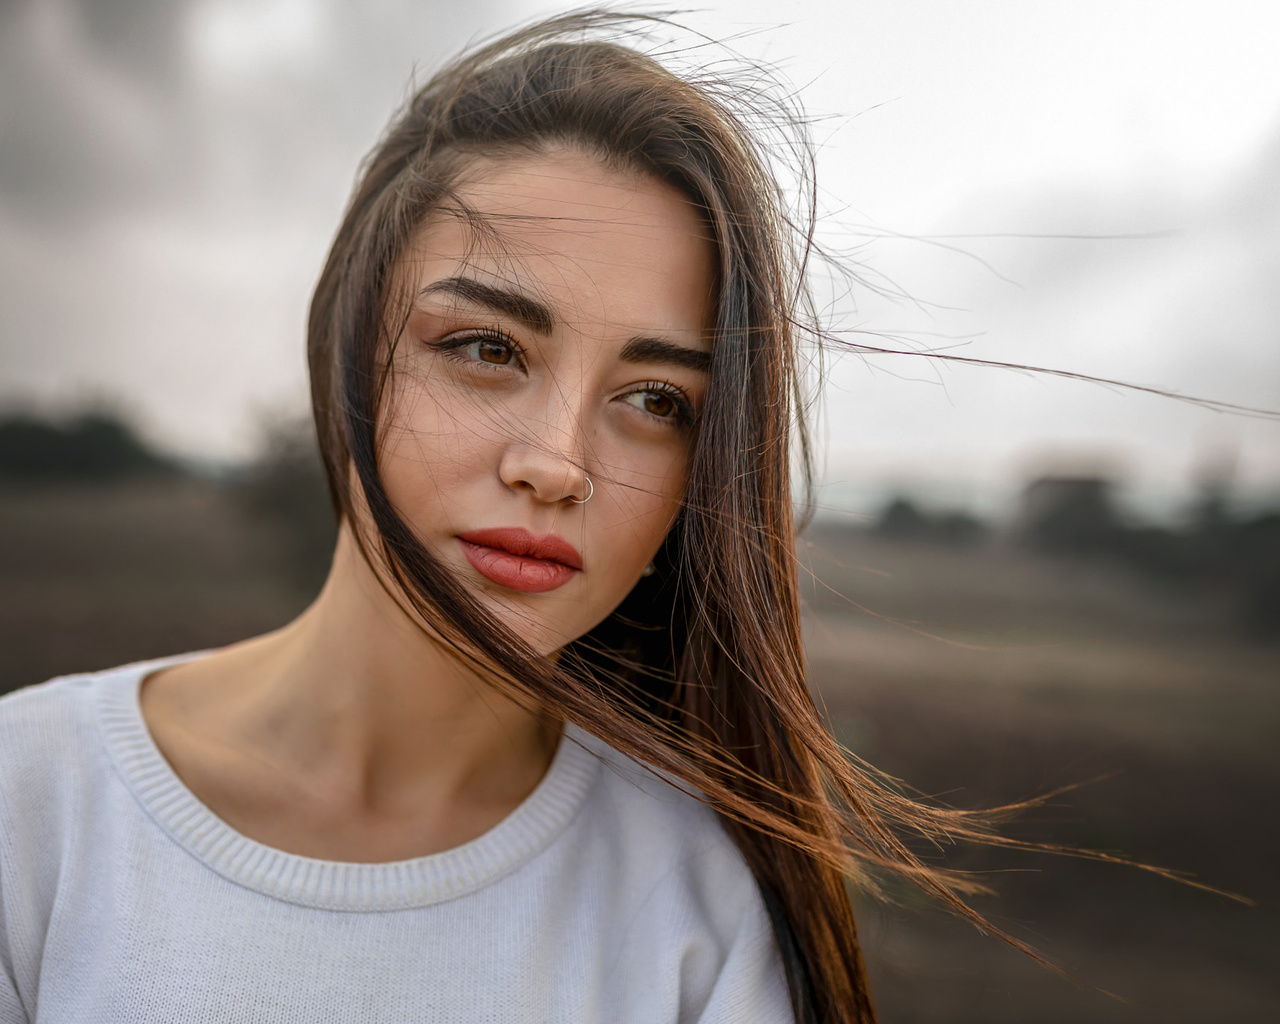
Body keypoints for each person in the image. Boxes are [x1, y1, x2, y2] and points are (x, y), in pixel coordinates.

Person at [0, 12, 1011, 1023]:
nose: (556, 465)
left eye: (657, 401)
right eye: (487, 348)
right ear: (346, 350)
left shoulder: (695, 904)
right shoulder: (32, 803)